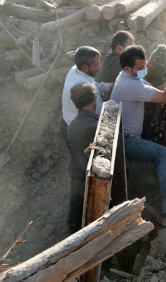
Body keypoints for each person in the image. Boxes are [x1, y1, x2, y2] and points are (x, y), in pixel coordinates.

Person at [111, 45, 166, 227]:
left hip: (127, 137)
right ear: (128, 69)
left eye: (144, 66)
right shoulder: (129, 85)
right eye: (140, 68)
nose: (144, 70)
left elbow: (159, 90)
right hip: (126, 141)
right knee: (163, 154)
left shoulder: (129, 78)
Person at [66, 82, 99, 234]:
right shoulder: (94, 126)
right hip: (91, 181)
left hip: (76, 178)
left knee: (75, 219)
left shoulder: (72, 125)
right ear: (94, 99)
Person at [61, 46, 110, 139]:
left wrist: (110, 85)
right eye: (96, 65)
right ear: (85, 67)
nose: (100, 67)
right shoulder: (84, 89)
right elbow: (101, 112)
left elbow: (94, 83)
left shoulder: (76, 69)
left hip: (71, 122)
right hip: (78, 132)